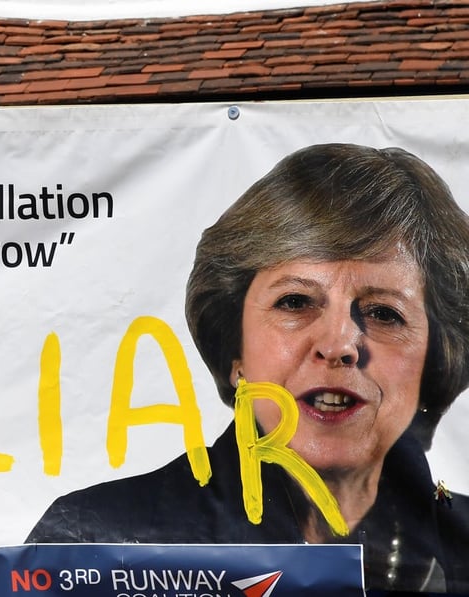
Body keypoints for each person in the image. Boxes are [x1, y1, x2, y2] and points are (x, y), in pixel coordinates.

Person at [26, 143, 469, 593]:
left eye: (383, 313)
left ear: (436, 356)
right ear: (235, 350)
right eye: (295, 302)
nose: (338, 344)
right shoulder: (94, 539)